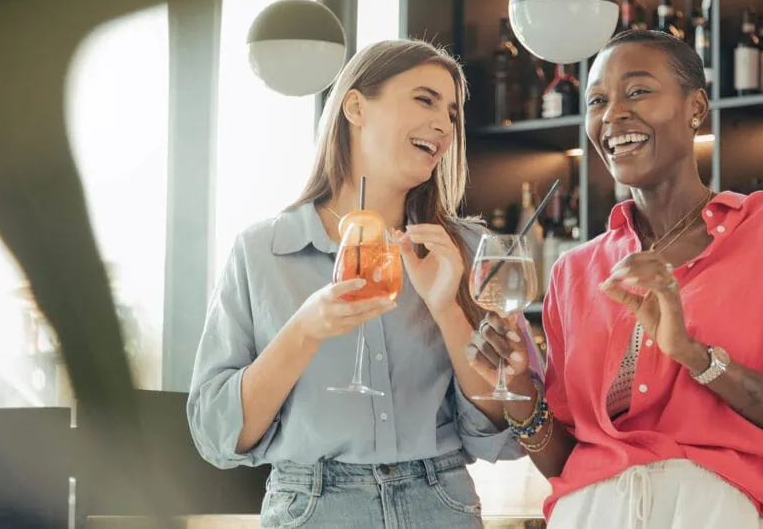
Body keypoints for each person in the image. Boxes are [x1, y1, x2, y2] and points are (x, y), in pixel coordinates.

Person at [467, 29, 763, 529]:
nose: (612, 116)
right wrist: (520, 387)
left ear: (696, 108)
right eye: (597, 101)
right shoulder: (574, 271)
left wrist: (694, 356)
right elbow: (565, 459)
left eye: (637, 92)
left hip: (713, 510)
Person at [188, 39, 535, 529]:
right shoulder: (262, 250)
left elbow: (501, 430)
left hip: (440, 504)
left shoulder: (467, 249)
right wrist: (304, 329)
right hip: (313, 508)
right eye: (424, 99)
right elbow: (217, 434)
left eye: (453, 113)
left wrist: (447, 309)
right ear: (355, 106)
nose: (444, 125)